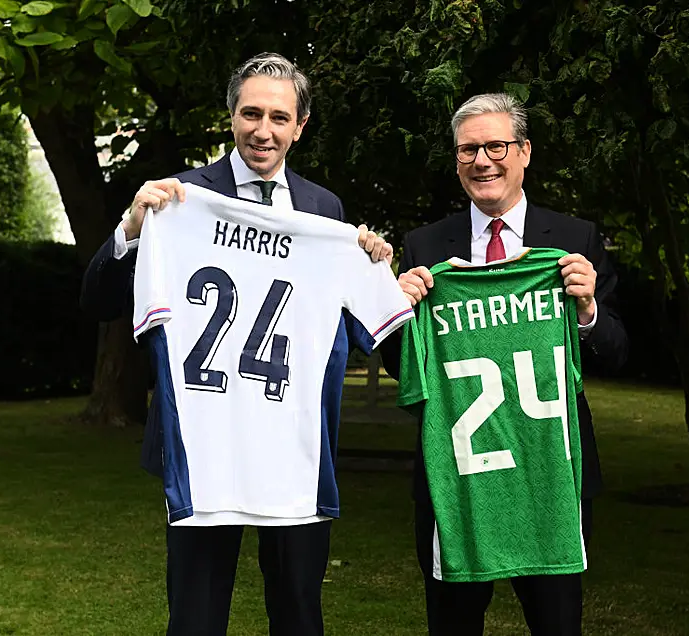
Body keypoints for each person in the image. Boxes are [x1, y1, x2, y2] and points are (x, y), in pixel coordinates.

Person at [81, 52, 395, 636]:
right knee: (196, 616)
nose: (263, 129)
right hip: (204, 443)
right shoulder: (180, 199)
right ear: (231, 117)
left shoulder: (324, 212)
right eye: (251, 113)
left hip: (290, 446)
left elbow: (350, 325)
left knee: (299, 610)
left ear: (299, 127)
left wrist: (375, 265)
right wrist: (130, 229)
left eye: (280, 117)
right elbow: (97, 301)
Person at [378, 93, 628, 635]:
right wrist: (397, 312)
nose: (483, 161)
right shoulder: (425, 245)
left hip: (551, 475)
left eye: (496, 146)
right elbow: (407, 370)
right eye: (469, 150)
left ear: (524, 152)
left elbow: (616, 351)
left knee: (557, 623)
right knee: (453, 625)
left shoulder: (572, 240)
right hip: (458, 476)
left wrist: (586, 310)